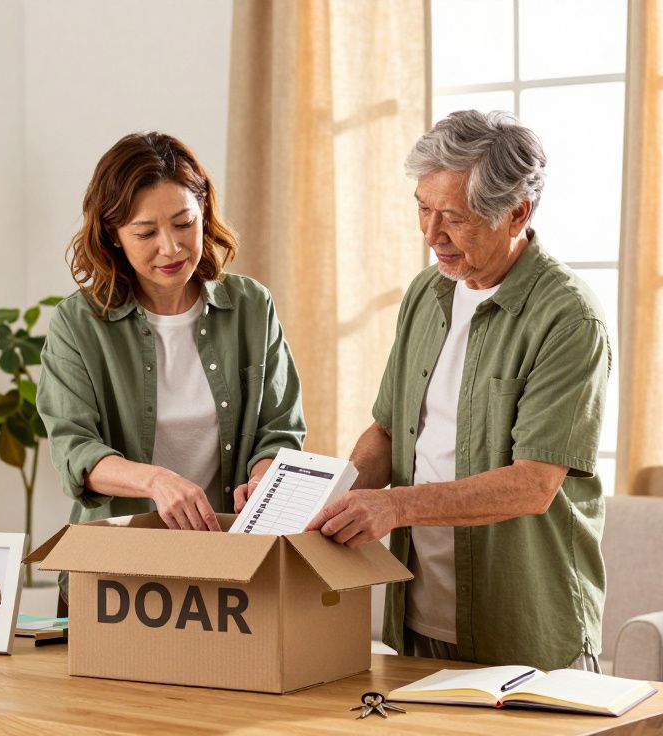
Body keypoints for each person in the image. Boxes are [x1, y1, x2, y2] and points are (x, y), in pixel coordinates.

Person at [307, 110, 610, 672]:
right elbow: (387, 429)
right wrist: (334, 497)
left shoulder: (567, 317)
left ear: (516, 212)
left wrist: (394, 507)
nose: (430, 234)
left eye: (454, 217)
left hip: (524, 629)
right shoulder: (428, 292)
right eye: (423, 208)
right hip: (417, 620)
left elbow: (533, 485)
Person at [38, 131, 306, 542]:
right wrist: (156, 481)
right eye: (146, 233)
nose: (171, 248)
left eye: (184, 223)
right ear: (114, 235)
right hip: (117, 562)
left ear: (203, 211)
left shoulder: (251, 306)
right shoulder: (78, 324)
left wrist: (262, 480)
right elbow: (75, 450)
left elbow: (280, 430)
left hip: (228, 555)